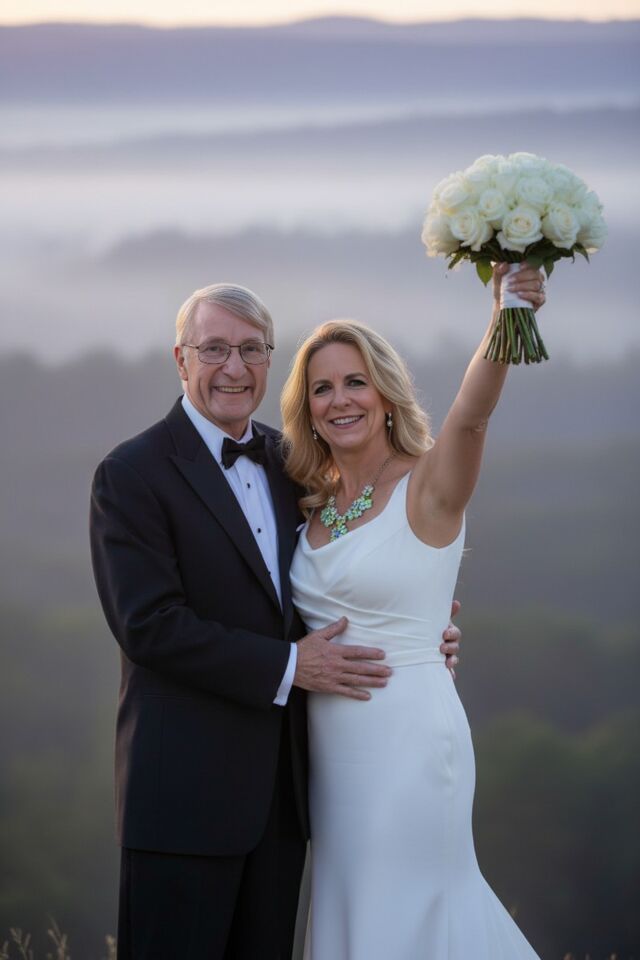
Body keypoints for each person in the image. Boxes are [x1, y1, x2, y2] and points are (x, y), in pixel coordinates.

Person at [89, 282, 462, 960]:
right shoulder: (132, 473)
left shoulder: (292, 464)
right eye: (214, 349)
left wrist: (417, 629)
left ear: (269, 360)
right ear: (180, 358)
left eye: (251, 350)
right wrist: (292, 665)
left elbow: (337, 581)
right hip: (181, 805)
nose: (233, 367)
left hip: (284, 806)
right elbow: (148, 625)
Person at [281, 262, 546, 959]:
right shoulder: (310, 508)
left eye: (356, 382)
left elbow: (472, 415)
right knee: (355, 909)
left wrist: (506, 314)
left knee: (412, 913)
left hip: (411, 742)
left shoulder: (428, 486)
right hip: (332, 757)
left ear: (387, 395)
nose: (340, 400)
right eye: (322, 388)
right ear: (307, 409)